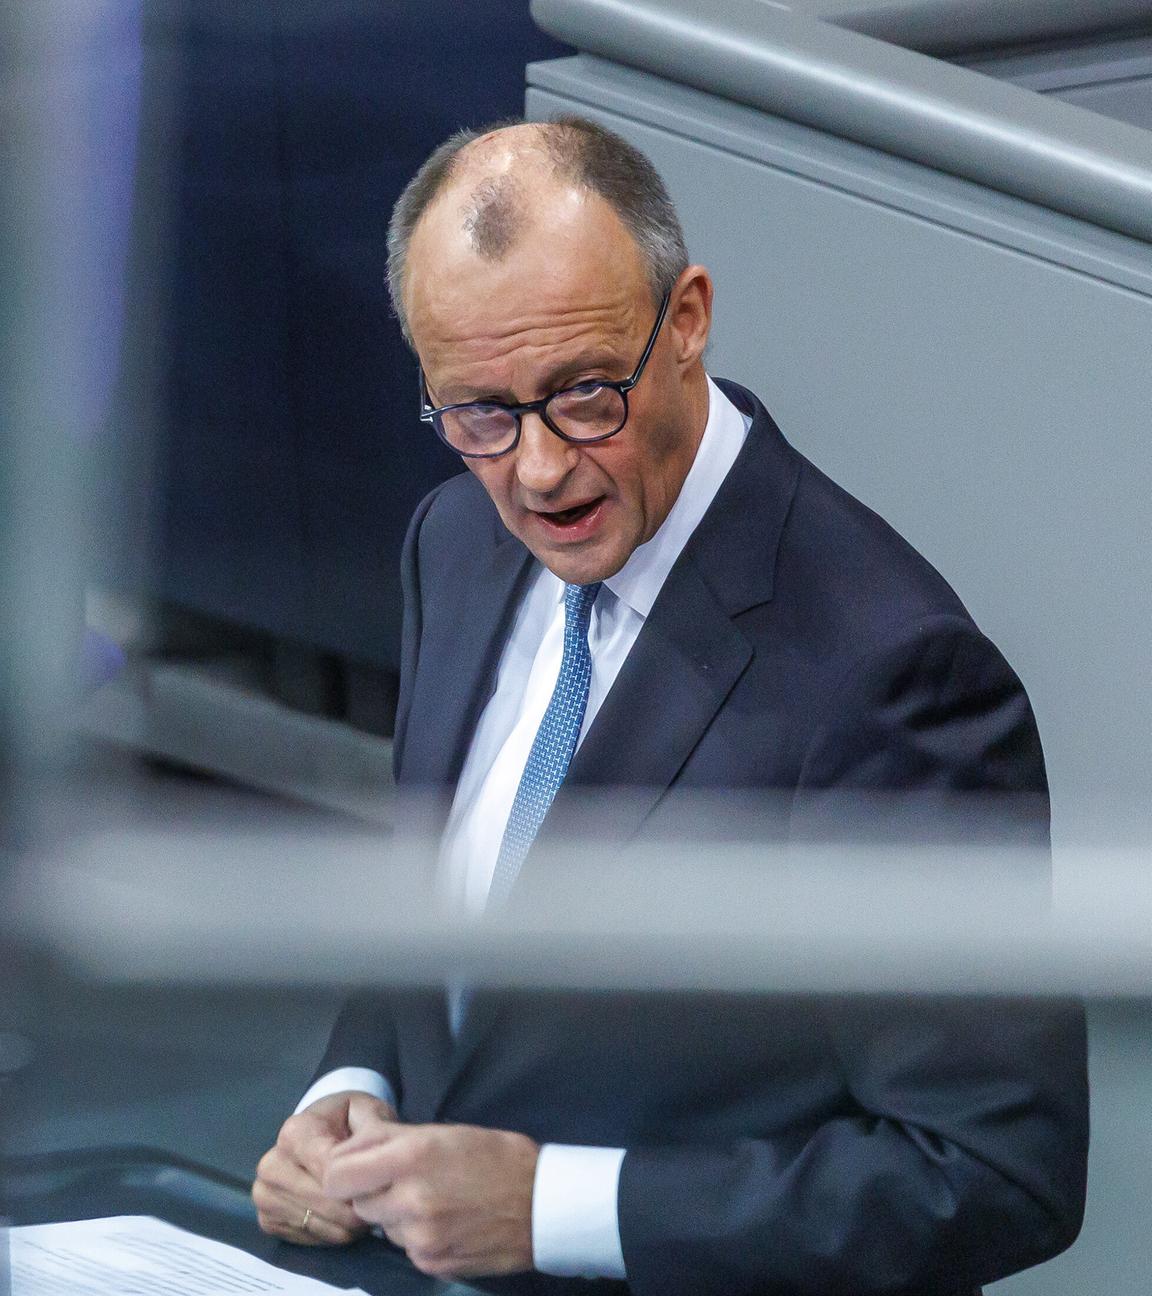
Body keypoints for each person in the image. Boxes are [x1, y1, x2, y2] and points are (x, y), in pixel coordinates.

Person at [253, 117, 1088, 1295]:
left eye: (584, 393)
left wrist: (550, 1209)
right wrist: (354, 1092)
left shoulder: (891, 676)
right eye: (478, 413)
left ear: (686, 320)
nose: (539, 470)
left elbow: (993, 1172)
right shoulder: (452, 544)